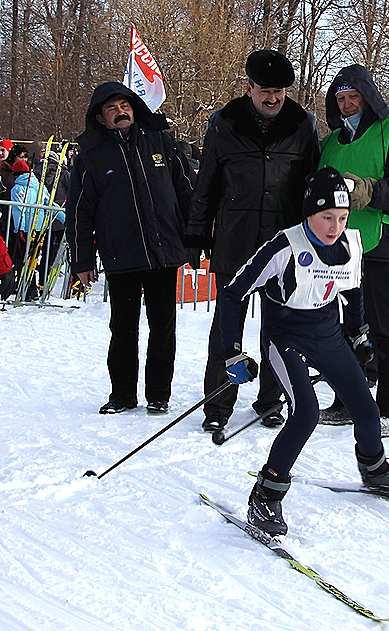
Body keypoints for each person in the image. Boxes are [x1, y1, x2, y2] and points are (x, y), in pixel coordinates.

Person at [219, 167, 389, 535]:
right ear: (309, 213)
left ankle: (374, 468)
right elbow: (233, 294)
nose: (334, 227)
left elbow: (353, 291)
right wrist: (233, 353)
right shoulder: (283, 247)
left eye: (342, 217)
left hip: (329, 335)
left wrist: (359, 335)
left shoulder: (350, 244)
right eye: (326, 217)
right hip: (286, 338)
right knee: (306, 414)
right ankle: (266, 494)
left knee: (365, 407)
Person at [185, 50, 322, 434]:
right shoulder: (224, 123)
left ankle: (270, 401)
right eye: (265, 90)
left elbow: (312, 187)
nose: (273, 98)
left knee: (278, 330)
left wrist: (316, 238)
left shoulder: (303, 125)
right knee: (226, 330)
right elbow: (207, 183)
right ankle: (217, 405)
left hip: (284, 246)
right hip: (235, 242)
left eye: (279, 91)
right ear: (249, 89)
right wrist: (196, 234)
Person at [66, 82, 196, 414]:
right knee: (123, 328)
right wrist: (81, 259)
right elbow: (80, 212)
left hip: (163, 251)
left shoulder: (161, 141)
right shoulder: (91, 157)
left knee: (162, 326)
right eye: (112, 108)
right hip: (120, 255)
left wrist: (195, 241)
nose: (121, 112)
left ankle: (158, 394)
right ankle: (122, 394)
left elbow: (186, 192)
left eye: (125, 105)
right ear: (100, 117)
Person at [316, 64, 389, 438]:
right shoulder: (331, 142)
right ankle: (347, 400)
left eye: (354, 97)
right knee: (342, 327)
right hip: (340, 247)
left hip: (383, 243)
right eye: (341, 99)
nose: (348, 105)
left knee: (384, 328)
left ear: (369, 96)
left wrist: (369, 191)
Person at [9, 159, 65, 300]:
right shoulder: (39, 185)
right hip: (39, 227)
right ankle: (32, 288)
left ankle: (29, 288)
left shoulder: (17, 189)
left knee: (24, 259)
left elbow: (17, 210)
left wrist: (19, 230)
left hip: (26, 229)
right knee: (34, 258)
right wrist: (65, 218)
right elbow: (49, 203)